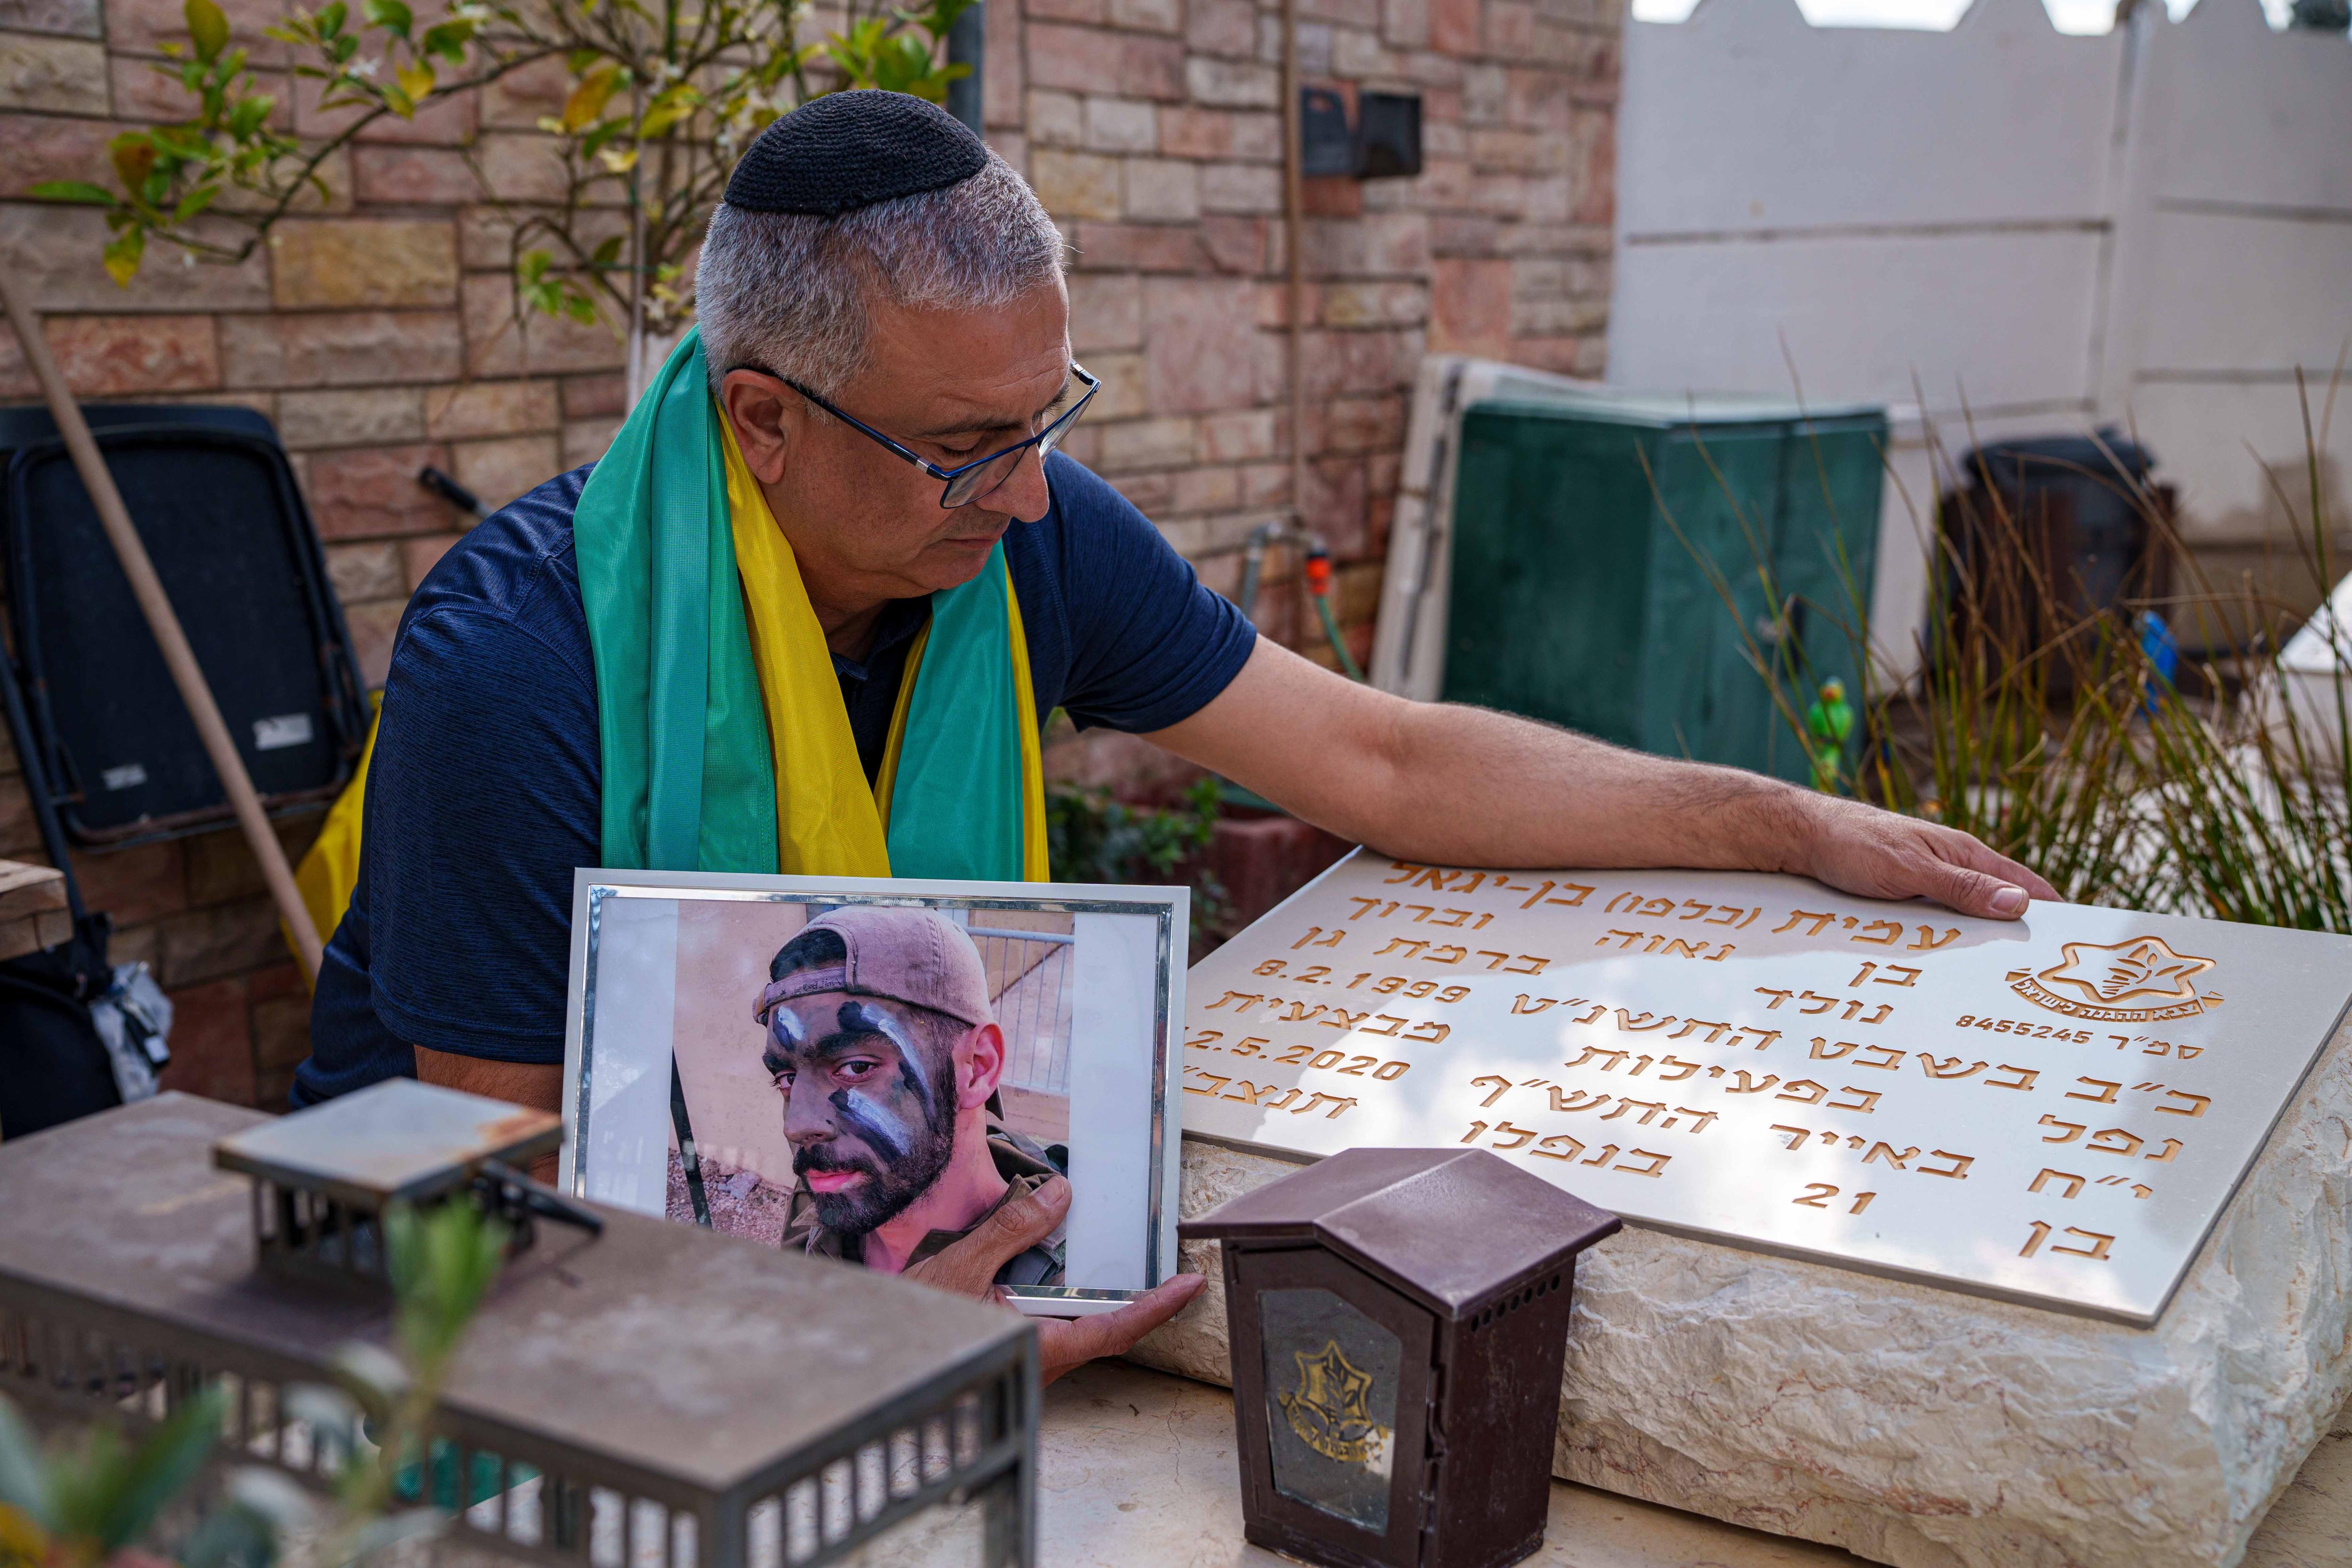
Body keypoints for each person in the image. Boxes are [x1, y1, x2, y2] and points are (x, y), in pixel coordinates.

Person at [292, 89, 2058, 1376]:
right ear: (762, 419)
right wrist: (860, 1338)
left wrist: (1771, 821)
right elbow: (494, 1204)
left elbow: (1377, 765)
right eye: (966, 443)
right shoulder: (521, 659)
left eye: (1047, 412)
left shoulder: (1014, 537)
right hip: (443, 1340)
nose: (1032, 492)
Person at [761, 907, 1065, 1288]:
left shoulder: (1070, 1300)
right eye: (787, 1078)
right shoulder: (824, 1190)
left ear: (978, 1067)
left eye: (855, 1068)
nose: (797, 1125)